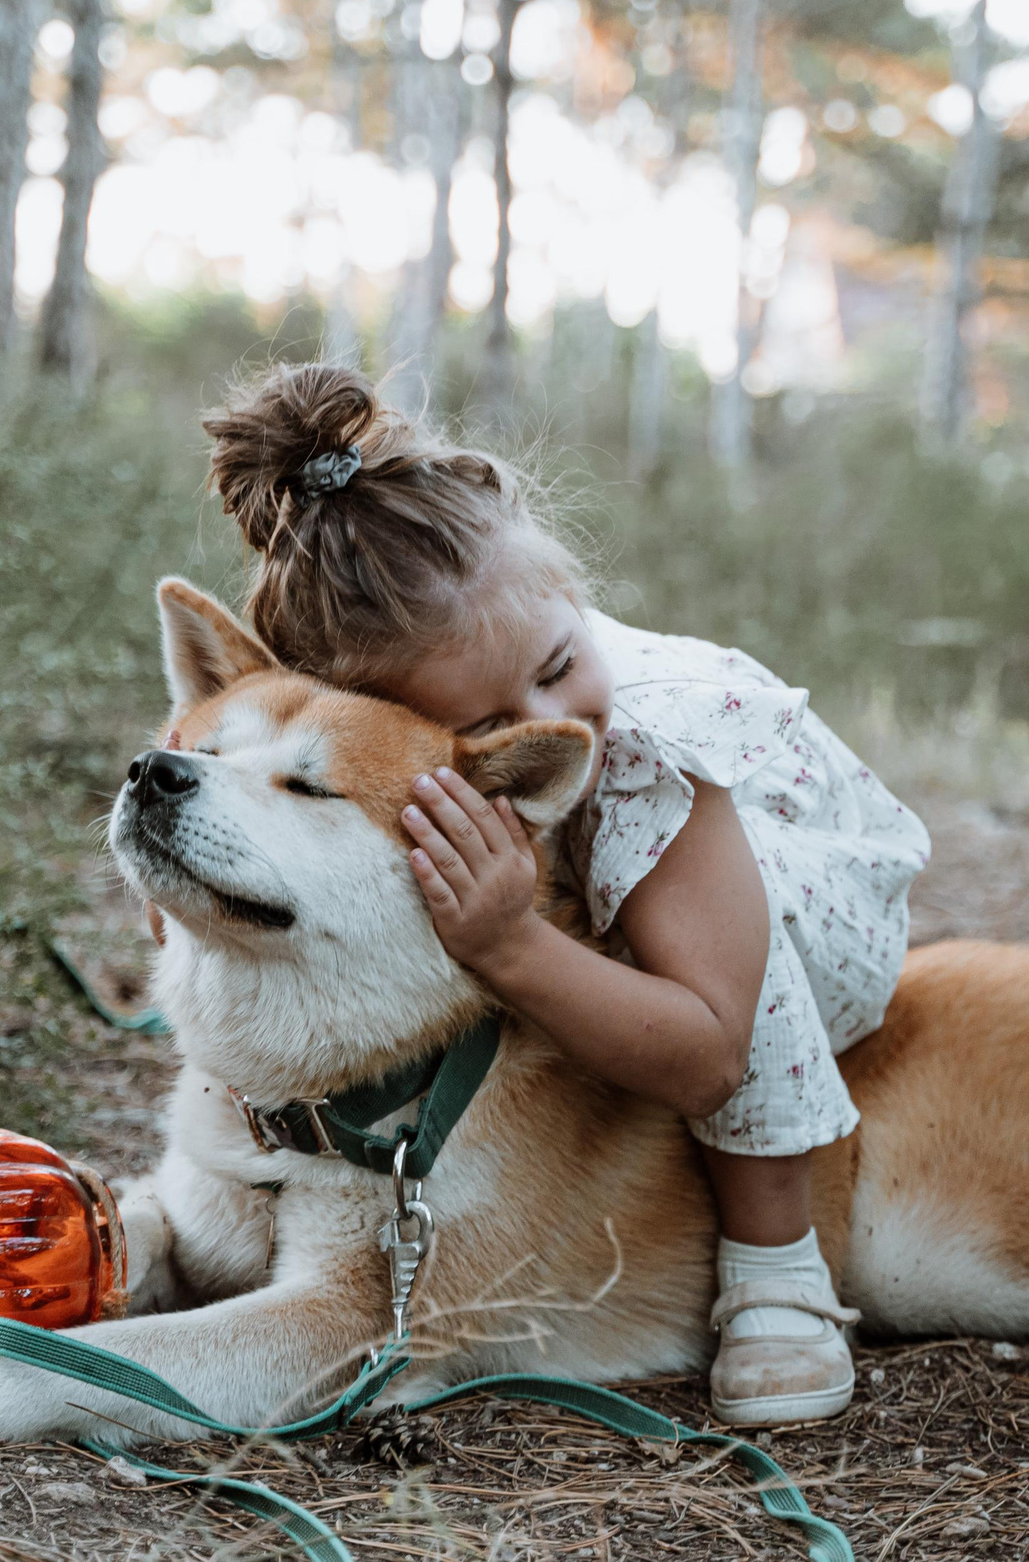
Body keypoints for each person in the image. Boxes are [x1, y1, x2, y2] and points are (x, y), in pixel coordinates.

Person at [200, 363, 931, 1424]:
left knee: (724, 978)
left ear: (568, 594)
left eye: (555, 664)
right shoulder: (479, 668)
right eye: (485, 727)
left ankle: (778, 1274)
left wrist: (510, 949)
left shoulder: (645, 758)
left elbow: (709, 1053)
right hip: (593, 869)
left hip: (791, 901)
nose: (549, 719)